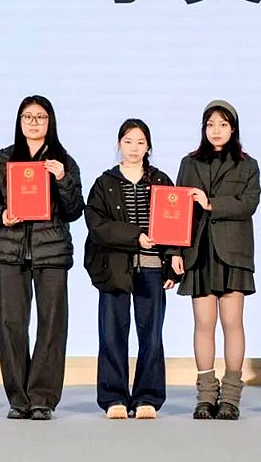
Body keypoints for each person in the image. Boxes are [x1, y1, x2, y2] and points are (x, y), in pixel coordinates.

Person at [0, 95, 84, 420]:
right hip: (10, 251)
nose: (34, 122)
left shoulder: (63, 160)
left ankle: (42, 398)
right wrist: (3, 215)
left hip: (51, 251)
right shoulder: (4, 159)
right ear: (19, 121)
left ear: (50, 122)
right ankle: (18, 398)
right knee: (11, 323)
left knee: (52, 324)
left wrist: (62, 179)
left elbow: (74, 210)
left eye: (41, 117)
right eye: (28, 117)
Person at [84, 119, 181, 420]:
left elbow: (176, 223)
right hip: (114, 268)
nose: (134, 148)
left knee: (151, 334)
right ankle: (113, 397)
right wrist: (135, 235)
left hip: (152, 268)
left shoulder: (161, 181)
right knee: (112, 333)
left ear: (148, 147)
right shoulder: (104, 183)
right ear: (119, 145)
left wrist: (174, 258)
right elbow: (97, 225)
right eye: (128, 141)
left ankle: (147, 397)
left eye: (140, 142)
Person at [176, 100, 260, 420]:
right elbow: (177, 211)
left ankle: (231, 397)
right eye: (210, 124)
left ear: (233, 129)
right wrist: (174, 253)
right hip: (199, 251)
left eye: (223, 124)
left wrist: (210, 203)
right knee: (203, 323)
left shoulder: (248, 165)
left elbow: (248, 204)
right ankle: (206, 396)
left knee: (232, 323)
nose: (216, 130)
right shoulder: (189, 163)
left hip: (233, 252)